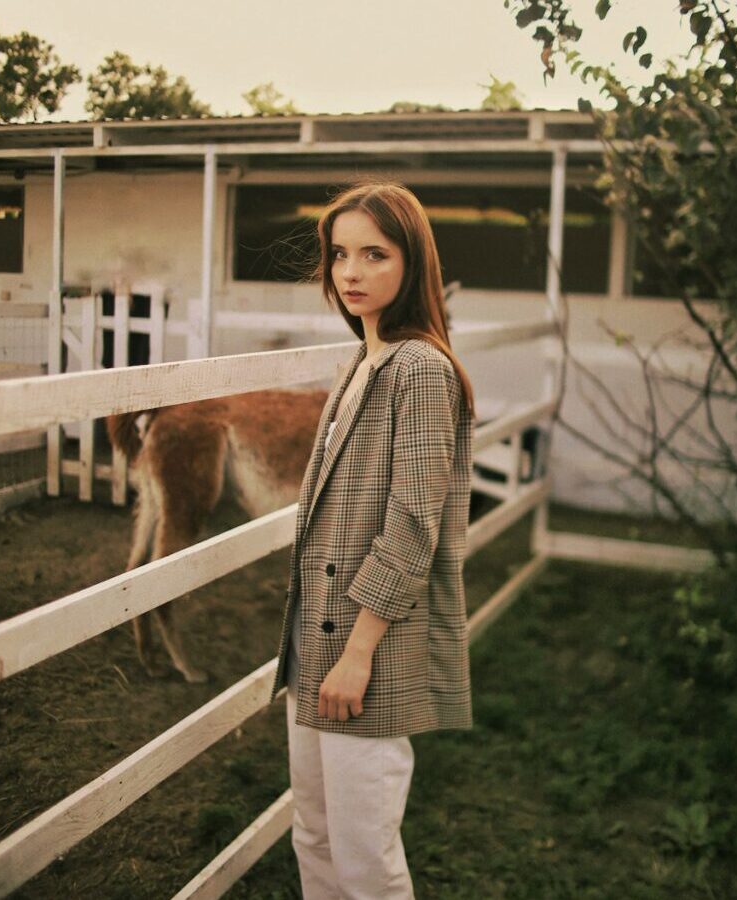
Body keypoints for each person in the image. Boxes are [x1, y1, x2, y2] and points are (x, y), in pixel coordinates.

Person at [270, 180, 476, 899]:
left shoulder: (418, 368)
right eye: (338, 255)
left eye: (374, 254)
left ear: (411, 263)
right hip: (314, 642)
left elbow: (411, 524)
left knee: (364, 858)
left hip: (366, 649)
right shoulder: (361, 362)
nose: (350, 273)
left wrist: (357, 655)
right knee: (315, 835)